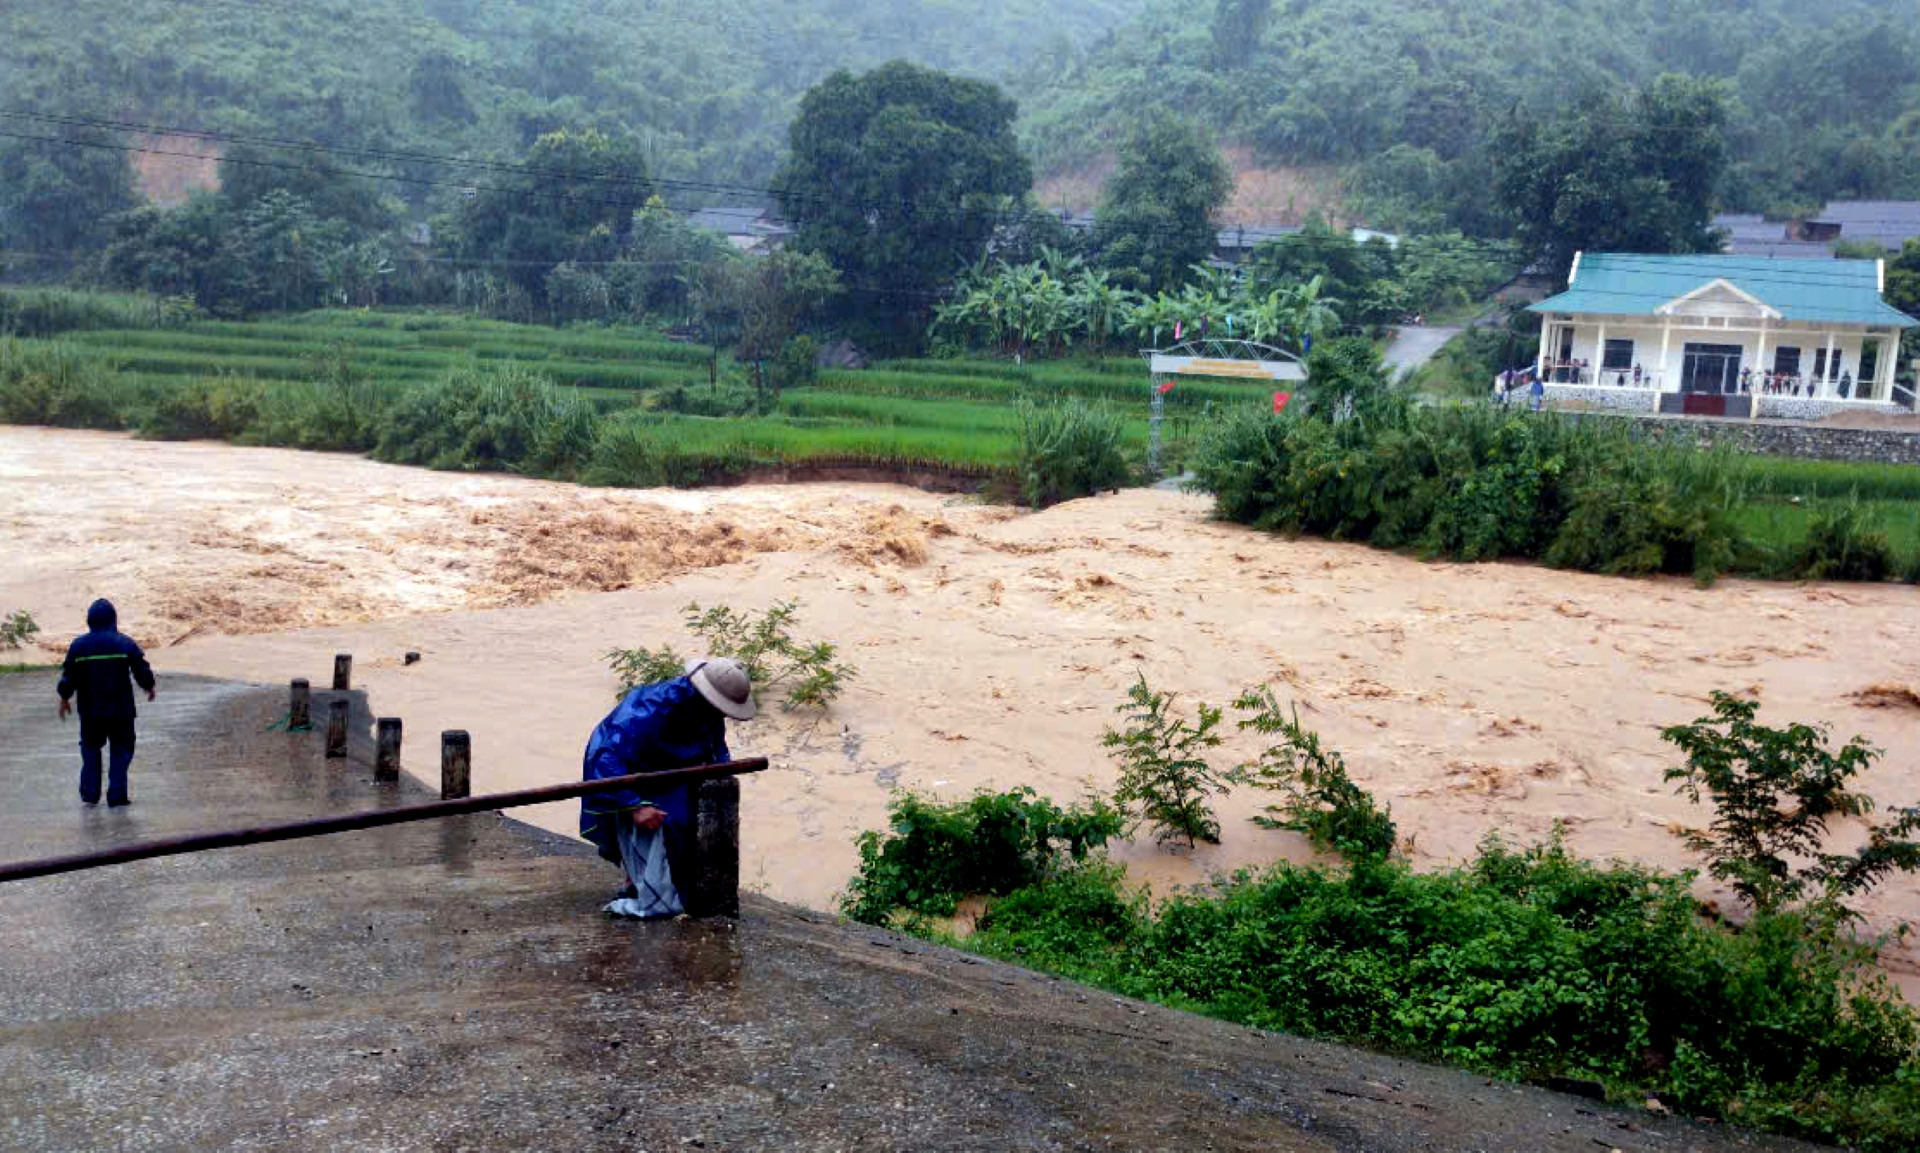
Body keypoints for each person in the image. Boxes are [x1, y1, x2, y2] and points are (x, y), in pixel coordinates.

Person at [579, 657, 755, 918]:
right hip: (630, 773)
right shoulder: (649, 710)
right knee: (655, 832)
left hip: (672, 770)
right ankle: (637, 892)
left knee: (684, 826)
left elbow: (715, 746)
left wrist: (724, 776)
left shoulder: (708, 711)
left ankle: (665, 886)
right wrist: (633, 805)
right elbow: (606, 756)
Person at [56, 599, 155, 808]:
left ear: (90, 620)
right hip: (121, 710)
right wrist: (148, 686)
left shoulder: (78, 646)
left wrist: (64, 697)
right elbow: (141, 668)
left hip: (90, 711)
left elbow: (68, 676)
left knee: (91, 749)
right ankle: (117, 795)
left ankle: (91, 793)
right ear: (113, 619)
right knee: (121, 749)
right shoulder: (125, 643)